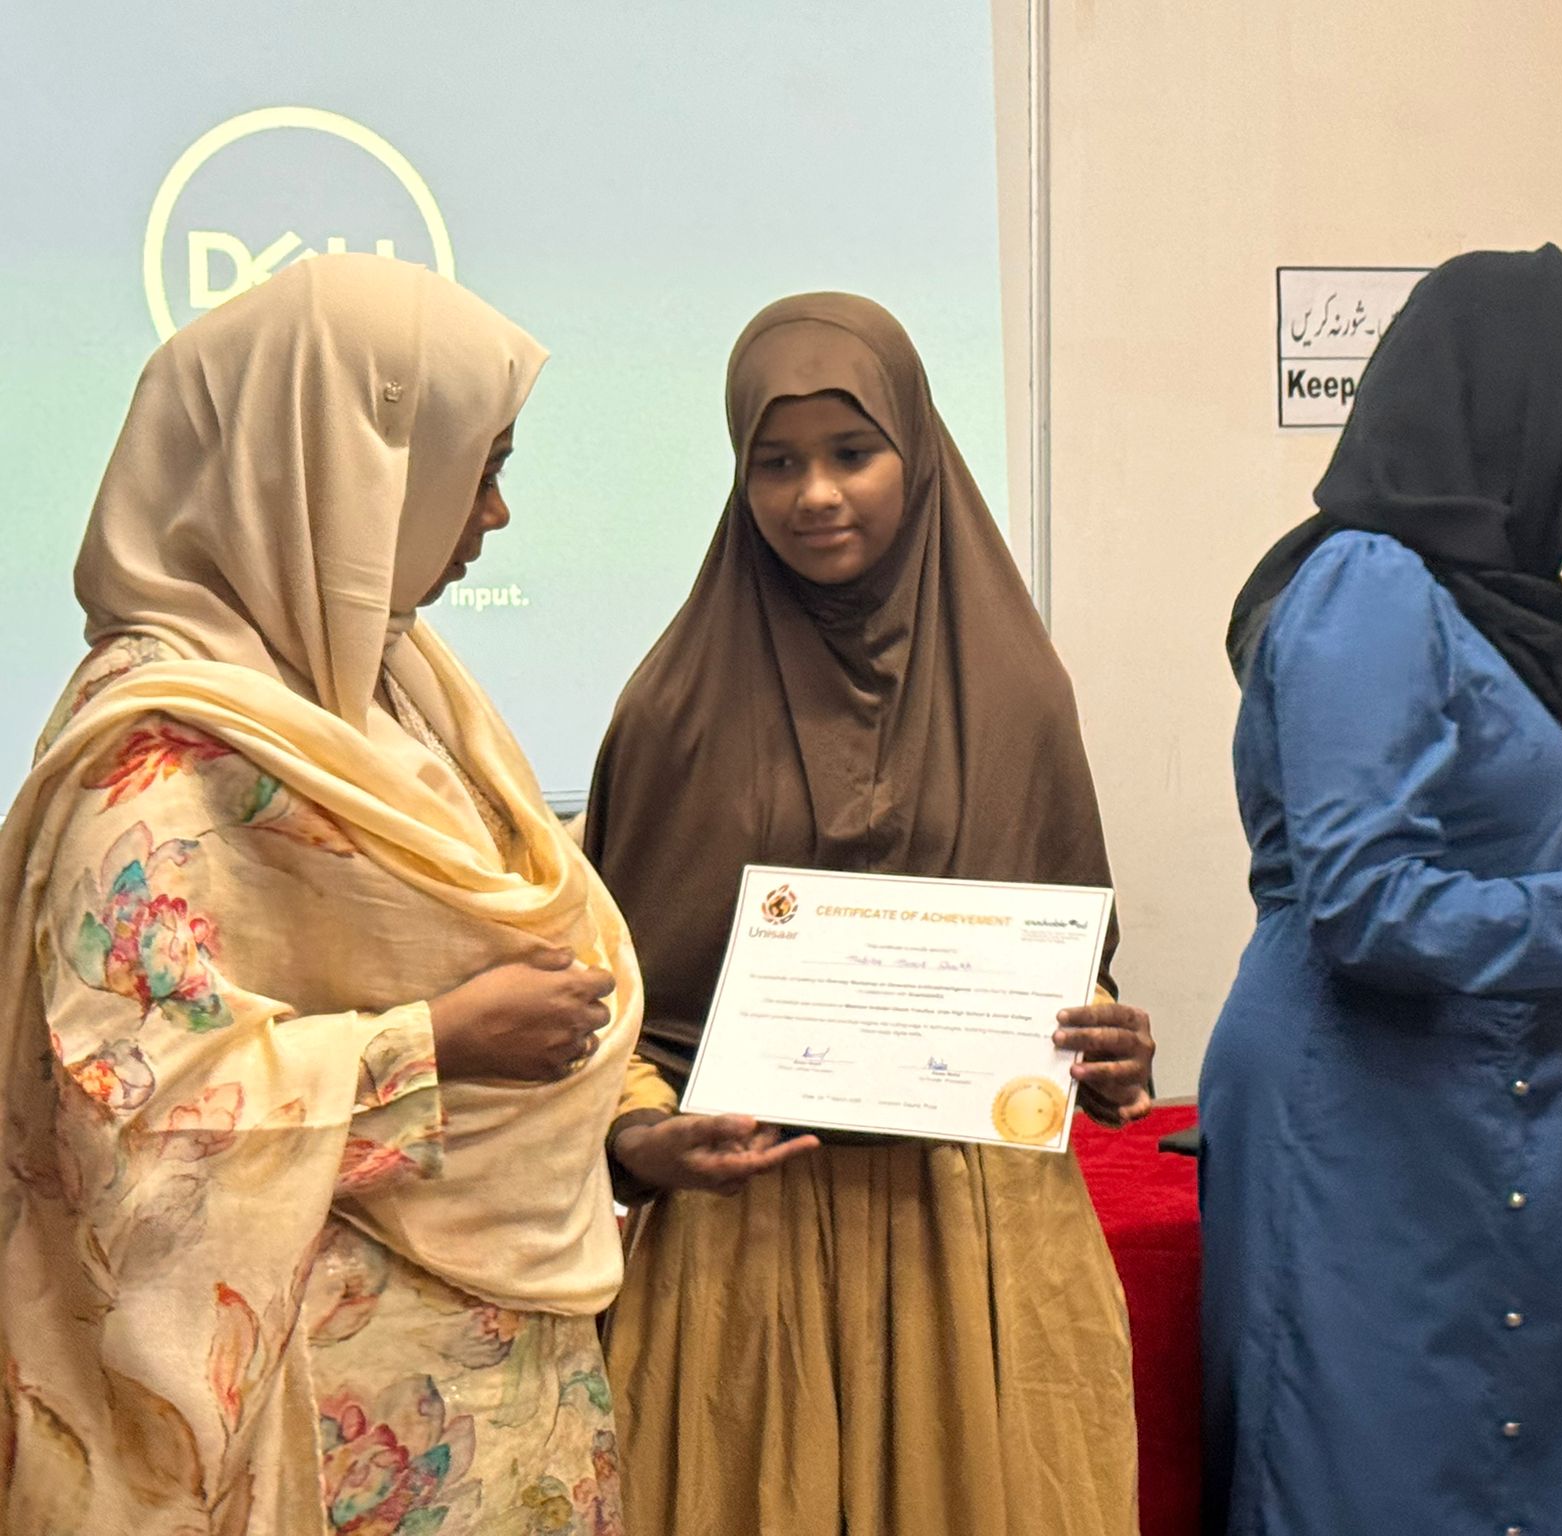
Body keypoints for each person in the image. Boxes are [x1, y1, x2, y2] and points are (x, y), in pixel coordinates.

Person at [0, 255, 646, 1532]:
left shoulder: (393, 685)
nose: (494, 515)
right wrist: (434, 1047)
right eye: (477, 467)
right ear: (347, 465)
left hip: (495, 1390)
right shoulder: (155, 752)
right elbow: (119, 1108)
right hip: (313, 1425)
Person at [1199, 244, 1562, 1536]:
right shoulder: (1369, 587)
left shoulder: (1472, 605)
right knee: (1382, 1473)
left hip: (1475, 1097)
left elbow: (1499, 865)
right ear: (1508, 413)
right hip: (1355, 1113)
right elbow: (1365, 903)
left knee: (1508, 1459)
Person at [583, 292, 1156, 1536]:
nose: (815, 496)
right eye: (774, 463)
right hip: (750, 1240)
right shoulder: (672, 708)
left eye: (852, 452)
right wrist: (637, 1133)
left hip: (974, 1237)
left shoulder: (1017, 690)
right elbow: (617, 999)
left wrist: (1102, 1039)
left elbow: (1063, 952)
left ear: (919, 451)